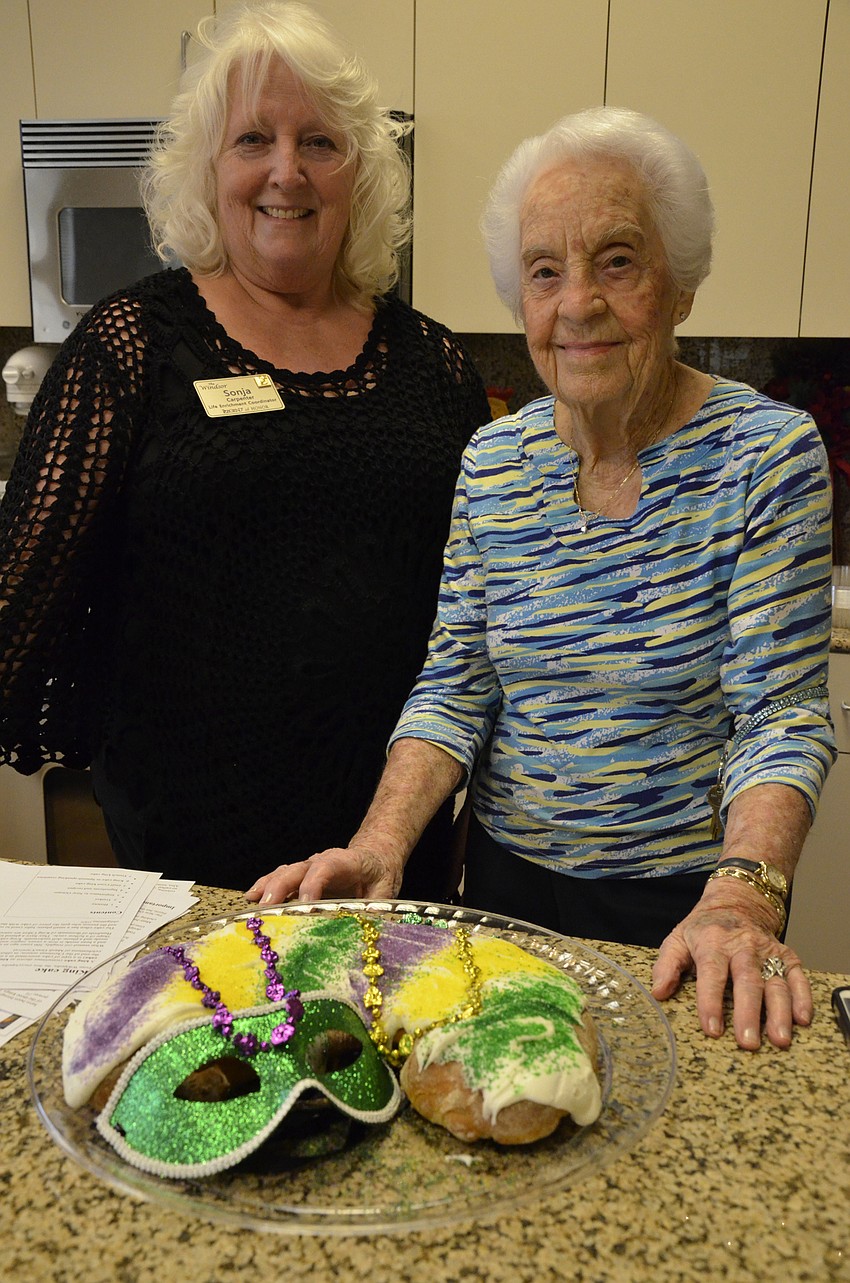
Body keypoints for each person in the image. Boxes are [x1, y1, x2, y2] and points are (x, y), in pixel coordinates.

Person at [248, 107, 836, 1052]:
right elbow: (456, 683)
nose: (577, 305)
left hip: (693, 912)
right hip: (507, 891)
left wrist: (743, 894)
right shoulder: (493, 462)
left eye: (617, 261)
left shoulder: (765, 457)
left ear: (679, 287)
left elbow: (781, 714)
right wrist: (380, 843)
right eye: (544, 270)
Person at [0, 2, 490, 897]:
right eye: (253, 140)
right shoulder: (132, 346)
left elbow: (478, 616)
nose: (286, 172)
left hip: (387, 843)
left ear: (362, 174)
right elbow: (16, 592)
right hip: (189, 847)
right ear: (207, 169)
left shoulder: (438, 366)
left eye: (320, 143)